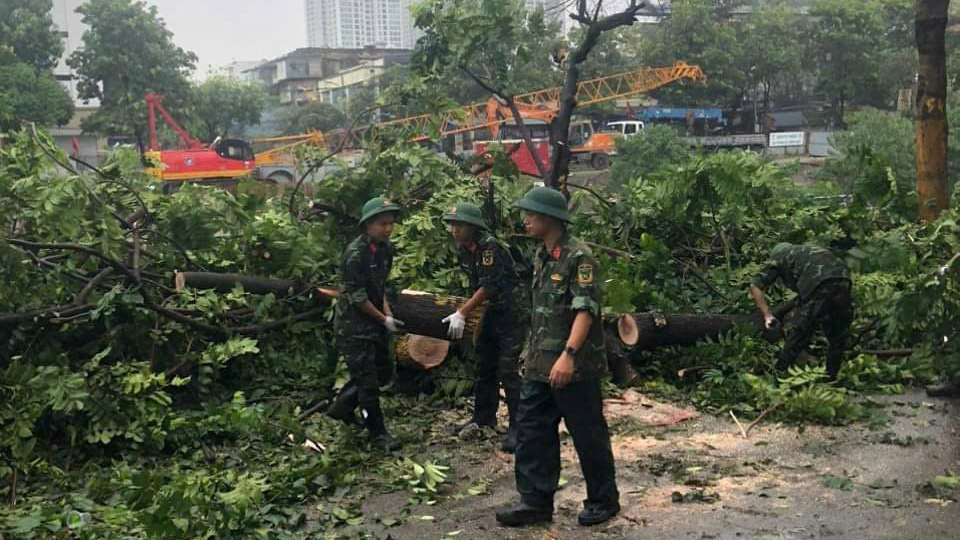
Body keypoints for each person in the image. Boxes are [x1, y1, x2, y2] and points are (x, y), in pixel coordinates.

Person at [496, 187, 620, 528]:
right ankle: (535, 502)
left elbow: (586, 311)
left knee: (587, 433)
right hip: (539, 364)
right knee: (532, 432)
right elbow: (542, 313)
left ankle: (603, 500)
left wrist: (568, 356)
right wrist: (529, 353)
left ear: (549, 218)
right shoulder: (541, 254)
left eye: (531, 214)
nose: (525, 220)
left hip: (573, 367)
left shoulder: (579, 257)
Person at [441, 203, 527, 453]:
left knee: (508, 370)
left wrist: (462, 313)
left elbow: (489, 286)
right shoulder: (466, 250)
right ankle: (483, 417)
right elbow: (476, 287)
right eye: (452, 225)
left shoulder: (490, 247)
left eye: (459, 225)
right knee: (484, 364)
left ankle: (518, 429)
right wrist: (473, 316)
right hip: (490, 312)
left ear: (473, 227)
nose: (454, 230)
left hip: (511, 311)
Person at [326, 197, 405, 450]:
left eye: (390, 223)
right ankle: (378, 433)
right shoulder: (355, 254)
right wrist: (384, 319)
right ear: (368, 225)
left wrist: (387, 314)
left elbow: (378, 286)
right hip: (354, 326)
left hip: (374, 321)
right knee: (368, 382)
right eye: (382, 224)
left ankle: (341, 407)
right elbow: (357, 296)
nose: (388, 228)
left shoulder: (385, 250)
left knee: (382, 371)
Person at [749, 242, 853, 380]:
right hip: (844, 278)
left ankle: (779, 374)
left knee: (801, 331)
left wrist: (767, 315)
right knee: (837, 334)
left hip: (819, 281)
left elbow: (755, 285)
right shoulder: (807, 251)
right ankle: (831, 378)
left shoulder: (779, 257)